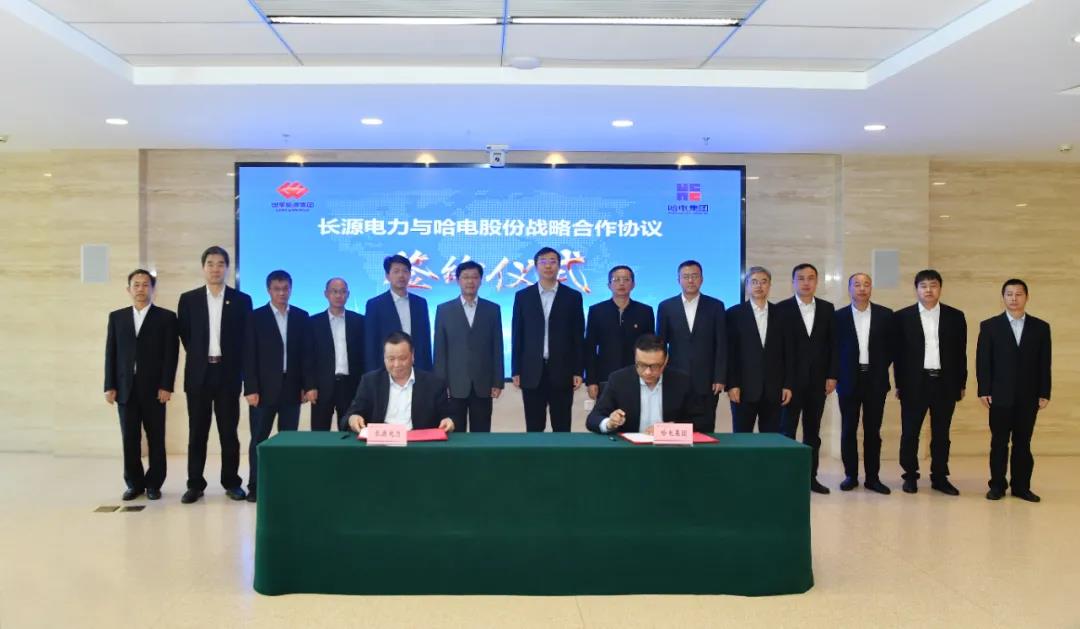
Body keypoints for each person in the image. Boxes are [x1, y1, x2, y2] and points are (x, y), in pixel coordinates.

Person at [176, 246, 252, 504]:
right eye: (210, 263)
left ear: (227, 268)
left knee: (228, 432)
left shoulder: (241, 300)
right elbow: (186, 336)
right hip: (199, 374)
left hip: (228, 374)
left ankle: (231, 482)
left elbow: (244, 340)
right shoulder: (189, 299)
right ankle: (195, 484)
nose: (215, 269)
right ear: (203, 267)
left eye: (221, 264)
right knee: (197, 431)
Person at [104, 269, 178, 501]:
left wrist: (166, 386)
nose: (140, 289)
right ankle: (134, 484)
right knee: (130, 439)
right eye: (136, 285)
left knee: (156, 438)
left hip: (155, 390)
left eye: (146, 285)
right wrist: (109, 385)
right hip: (125, 389)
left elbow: (171, 355)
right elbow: (111, 353)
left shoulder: (166, 317)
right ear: (129, 289)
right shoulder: (117, 317)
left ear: (153, 289)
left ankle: (154, 484)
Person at [976, 279, 1051, 502]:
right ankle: (997, 485)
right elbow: (983, 361)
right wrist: (984, 389)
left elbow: (1044, 363)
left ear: (1027, 297)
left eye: (1019, 294)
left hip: (1029, 396)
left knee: (1023, 443)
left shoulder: (1040, 327)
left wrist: (1044, 392)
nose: (1014, 298)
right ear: (1003, 297)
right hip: (999, 394)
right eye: (1009, 294)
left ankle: (1021, 487)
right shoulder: (989, 326)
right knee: (999, 442)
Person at [894, 269, 967, 496]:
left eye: (933, 285)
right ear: (916, 289)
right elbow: (898, 356)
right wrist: (899, 384)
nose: (928, 290)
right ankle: (910, 476)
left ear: (940, 288)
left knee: (941, 434)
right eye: (923, 286)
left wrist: (961, 383)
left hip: (945, 383)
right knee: (910, 432)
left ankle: (940, 477)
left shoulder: (955, 316)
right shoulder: (902, 317)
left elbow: (961, 353)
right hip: (914, 383)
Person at [243, 270, 311, 502]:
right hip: (262, 390)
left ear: (291, 289)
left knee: (288, 440)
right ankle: (255, 485)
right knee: (259, 439)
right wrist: (250, 388)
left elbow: (306, 355)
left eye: (285, 288)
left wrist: (307, 385)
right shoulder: (255, 317)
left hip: (292, 388)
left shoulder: (301, 316)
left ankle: (286, 483)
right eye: (277, 289)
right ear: (268, 290)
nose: (281, 293)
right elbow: (249, 355)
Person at [777, 263, 838, 495]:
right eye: (800, 278)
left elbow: (833, 345)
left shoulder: (827, 309)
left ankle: (810, 478)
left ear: (817, 281)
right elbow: (777, 351)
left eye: (810, 278)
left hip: (818, 383)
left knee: (813, 433)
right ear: (793, 282)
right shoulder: (781, 309)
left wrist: (832, 375)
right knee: (787, 433)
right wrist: (783, 382)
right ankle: (786, 479)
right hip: (789, 385)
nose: (806, 282)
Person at [511, 247, 584, 432]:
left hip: (562, 370)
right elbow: (517, 335)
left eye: (552, 261)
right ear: (536, 266)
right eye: (543, 262)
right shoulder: (523, 297)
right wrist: (516, 369)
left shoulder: (573, 297)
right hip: (531, 371)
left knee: (562, 426)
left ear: (559, 266)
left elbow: (578, 336)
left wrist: (578, 370)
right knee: (534, 427)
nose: (548, 266)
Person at [835, 273, 893, 494]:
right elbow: (833, 349)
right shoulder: (838, 316)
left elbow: (892, 349)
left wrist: (879, 365)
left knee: (873, 431)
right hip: (848, 380)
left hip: (876, 380)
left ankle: (872, 478)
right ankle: (850, 475)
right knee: (848, 429)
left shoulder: (885, 315)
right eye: (857, 285)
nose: (861, 288)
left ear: (871, 288)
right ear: (849, 288)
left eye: (866, 284)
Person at [656, 260, 726, 432]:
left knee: (705, 429)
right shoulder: (666, 307)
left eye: (695, 276)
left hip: (707, 381)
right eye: (686, 276)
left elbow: (722, 344)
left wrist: (719, 377)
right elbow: (660, 345)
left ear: (702, 279)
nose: (690, 280)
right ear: (678, 280)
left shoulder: (716, 306)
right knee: (675, 429)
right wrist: (659, 374)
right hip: (674, 379)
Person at [433, 261, 504, 432]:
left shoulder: (492, 309)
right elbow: (440, 351)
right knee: (454, 433)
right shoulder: (444, 310)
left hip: (483, 384)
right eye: (465, 277)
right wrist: (441, 384)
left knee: (482, 433)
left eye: (474, 277)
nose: (470, 281)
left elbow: (497, 348)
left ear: (481, 280)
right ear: (458, 280)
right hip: (454, 385)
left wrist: (497, 381)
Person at [585, 334, 703, 434]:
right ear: (635, 358)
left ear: (666, 360)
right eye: (641, 365)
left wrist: (673, 428)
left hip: (670, 448)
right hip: (630, 449)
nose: (647, 372)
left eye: (655, 366)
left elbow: (703, 420)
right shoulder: (619, 380)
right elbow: (593, 419)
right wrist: (609, 423)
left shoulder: (682, 381)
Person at [725, 266, 794, 433]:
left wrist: (788, 385)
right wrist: (732, 385)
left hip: (774, 389)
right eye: (754, 282)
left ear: (769, 285)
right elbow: (729, 354)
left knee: (771, 439)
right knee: (742, 438)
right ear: (747, 285)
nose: (759, 286)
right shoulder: (733, 314)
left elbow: (789, 353)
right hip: (743, 389)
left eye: (764, 282)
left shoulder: (782, 314)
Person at [345, 332, 455, 433]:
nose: (397, 365)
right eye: (391, 359)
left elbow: (448, 415)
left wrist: (448, 420)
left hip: (418, 442)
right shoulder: (370, 381)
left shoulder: (434, 384)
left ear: (412, 356)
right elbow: (352, 413)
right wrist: (353, 418)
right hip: (381, 442)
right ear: (384, 358)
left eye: (402, 358)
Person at [584, 265, 654, 402]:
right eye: (616, 279)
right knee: (607, 414)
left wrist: (650, 375)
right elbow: (590, 348)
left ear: (633, 284)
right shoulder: (597, 311)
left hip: (637, 376)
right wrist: (591, 381)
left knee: (637, 414)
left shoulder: (645, 311)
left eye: (626, 279)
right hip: (605, 377)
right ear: (609, 285)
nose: (621, 283)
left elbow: (650, 348)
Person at [308, 277, 365, 431]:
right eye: (334, 291)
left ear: (348, 294)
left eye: (343, 292)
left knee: (350, 431)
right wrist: (310, 386)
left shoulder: (359, 321)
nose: (339, 295)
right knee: (319, 432)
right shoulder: (313, 322)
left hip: (351, 385)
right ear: (326, 294)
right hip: (322, 386)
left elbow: (363, 355)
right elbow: (308, 357)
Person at [365, 254, 432, 372]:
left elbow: (425, 341)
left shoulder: (420, 303)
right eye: (396, 271)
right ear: (387, 276)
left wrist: (428, 372)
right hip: (387, 369)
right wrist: (373, 375)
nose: (401, 275)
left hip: (417, 369)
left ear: (410, 274)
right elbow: (371, 344)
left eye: (405, 271)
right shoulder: (375, 305)